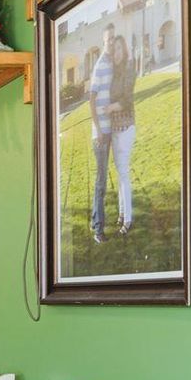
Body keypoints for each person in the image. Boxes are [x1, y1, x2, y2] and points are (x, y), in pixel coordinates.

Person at [107, 36, 136, 236]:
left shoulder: (128, 69)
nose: (116, 53)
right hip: (114, 128)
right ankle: (121, 213)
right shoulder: (113, 72)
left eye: (119, 48)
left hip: (125, 126)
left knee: (124, 172)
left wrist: (110, 107)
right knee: (119, 172)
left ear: (124, 50)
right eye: (113, 49)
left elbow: (126, 99)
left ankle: (128, 218)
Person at [89, 24, 116, 244]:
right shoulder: (100, 66)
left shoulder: (113, 64)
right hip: (100, 134)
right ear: (103, 42)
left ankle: (95, 221)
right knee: (101, 182)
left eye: (113, 39)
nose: (111, 43)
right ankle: (98, 229)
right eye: (108, 40)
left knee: (103, 181)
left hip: (110, 130)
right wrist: (98, 131)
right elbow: (91, 99)